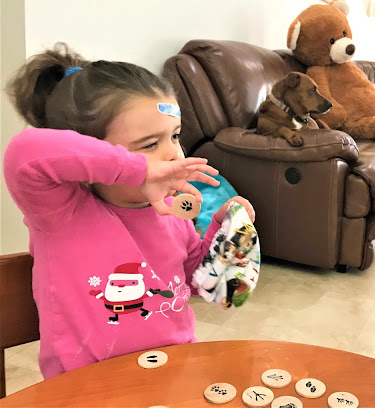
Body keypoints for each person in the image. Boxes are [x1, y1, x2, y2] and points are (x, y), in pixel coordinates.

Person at [3, 43, 255, 379]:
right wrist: (138, 170)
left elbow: (196, 281)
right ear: (87, 151)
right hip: (86, 387)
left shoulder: (170, 213)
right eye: (150, 144)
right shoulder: (60, 212)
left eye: (175, 136)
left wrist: (223, 235)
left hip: (171, 373)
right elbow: (25, 153)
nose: (173, 155)